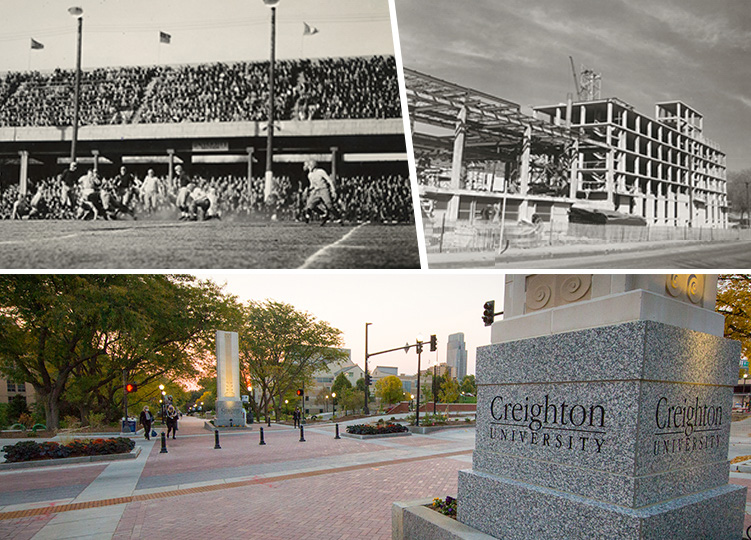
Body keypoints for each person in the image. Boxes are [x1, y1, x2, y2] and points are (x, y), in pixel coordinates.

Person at [302, 159, 343, 226]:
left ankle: (339, 218)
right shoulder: (310, 175)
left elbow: (329, 180)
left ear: (313, 166)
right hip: (316, 191)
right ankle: (323, 214)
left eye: (309, 166)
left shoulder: (320, 171)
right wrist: (308, 189)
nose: (308, 167)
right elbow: (312, 185)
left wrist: (333, 190)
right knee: (309, 205)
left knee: (329, 205)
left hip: (324, 189)